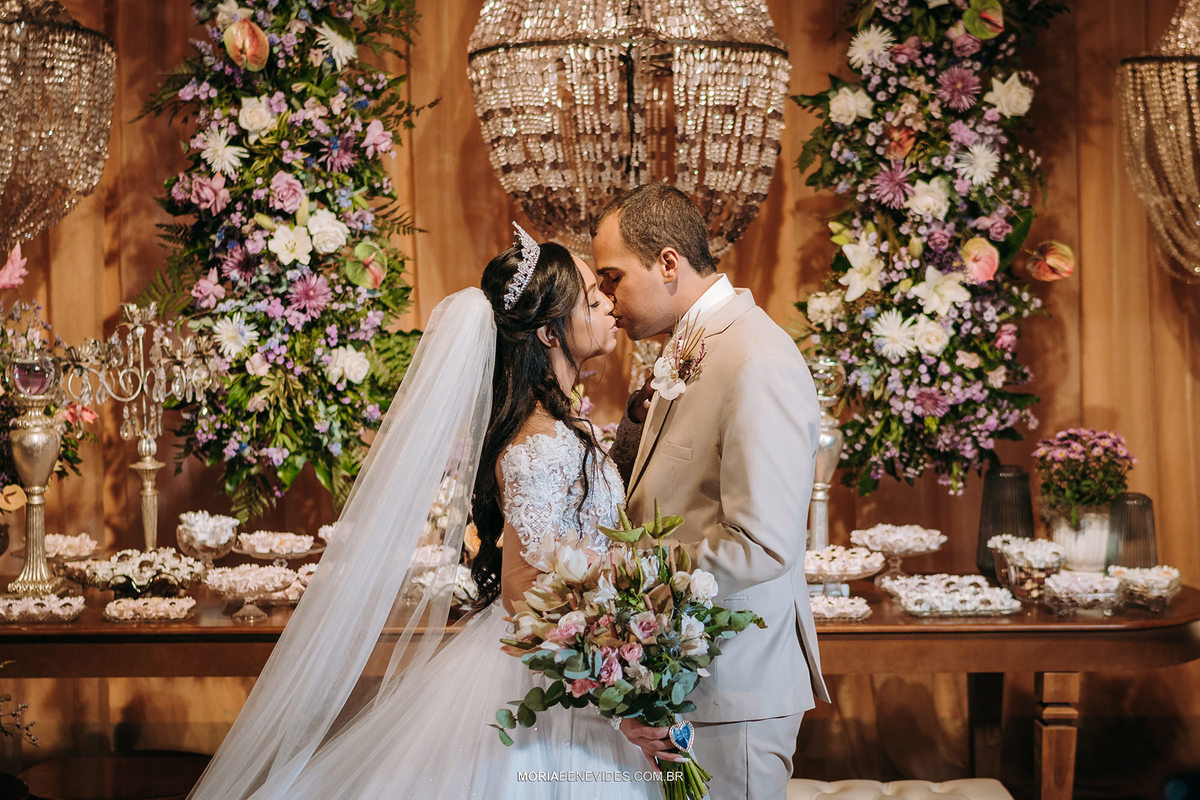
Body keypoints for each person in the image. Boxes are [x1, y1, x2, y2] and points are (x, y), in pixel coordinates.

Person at [187, 226, 660, 799]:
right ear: (547, 332)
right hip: (557, 684)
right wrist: (612, 693)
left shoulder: (562, 428)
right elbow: (524, 595)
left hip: (589, 653)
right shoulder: (539, 442)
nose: (609, 304)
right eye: (591, 300)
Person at [592, 183, 831, 799]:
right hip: (685, 678)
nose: (605, 299)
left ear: (667, 263)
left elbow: (761, 544)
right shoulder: (695, 347)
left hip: (734, 684)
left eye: (612, 277)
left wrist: (629, 589)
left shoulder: (756, 360)